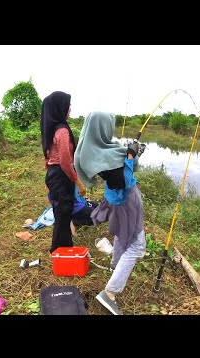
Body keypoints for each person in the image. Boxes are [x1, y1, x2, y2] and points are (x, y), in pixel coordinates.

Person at [74, 111, 145, 315]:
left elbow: (118, 171)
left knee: (123, 235)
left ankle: (116, 265)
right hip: (126, 202)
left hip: (119, 200)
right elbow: (121, 181)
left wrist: (132, 154)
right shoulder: (107, 156)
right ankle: (110, 292)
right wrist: (130, 157)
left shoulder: (98, 150)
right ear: (102, 127)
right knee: (137, 245)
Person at [40, 91, 86, 253]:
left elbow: (47, 156)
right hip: (61, 175)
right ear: (61, 107)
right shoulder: (62, 131)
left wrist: (49, 179)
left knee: (61, 214)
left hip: (53, 174)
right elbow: (66, 161)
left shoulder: (50, 129)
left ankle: (64, 249)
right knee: (62, 215)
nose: (70, 109)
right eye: (68, 105)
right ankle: (58, 251)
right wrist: (78, 182)